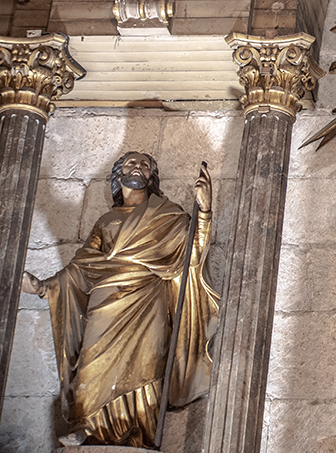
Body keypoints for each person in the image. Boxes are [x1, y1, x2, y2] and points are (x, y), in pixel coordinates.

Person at [20, 152, 218, 448]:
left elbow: (191, 255)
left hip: (147, 300)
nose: (138, 167)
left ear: (151, 177)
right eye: (131, 163)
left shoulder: (169, 215)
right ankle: (88, 425)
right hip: (105, 301)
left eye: (145, 165)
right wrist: (42, 287)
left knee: (147, 365)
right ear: (118, 174)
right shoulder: (106, 221)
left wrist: (204, 212)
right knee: (92, 363)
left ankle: (141, 434)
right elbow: (81, 267)